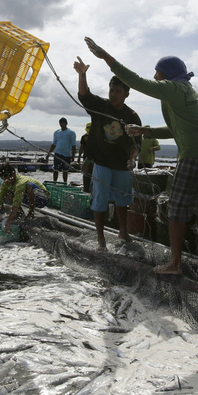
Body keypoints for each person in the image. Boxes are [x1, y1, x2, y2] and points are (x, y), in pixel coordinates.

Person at [84, 37, 198, 275]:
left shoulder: (171, 88)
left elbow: (137, 82)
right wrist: (144, 131)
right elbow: (175, 130)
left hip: (191, 157)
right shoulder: (189, 92)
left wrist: (106, 58)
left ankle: (174, 265)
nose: (156, 77)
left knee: (176, 211)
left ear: (165, 73)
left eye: (157, 72)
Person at [73, 57, 141, 250]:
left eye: (118, 91)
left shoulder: (132, 116)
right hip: (101, 163)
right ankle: (101, 239)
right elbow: (84, 95)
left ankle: (123, 232)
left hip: (121, 165)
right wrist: (82, 75)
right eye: (111, 90)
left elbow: (136, 144)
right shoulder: (100, 106)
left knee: (122, 201)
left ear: (126, 94)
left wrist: (132, 159)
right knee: (99, 201)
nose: (113, 94)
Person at [0, 164, 49, 233]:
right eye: (4, 179)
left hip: (42, 198)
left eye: (8, 178)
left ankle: (31, 213)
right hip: (27, 198)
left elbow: (16, 203)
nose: (6, 181)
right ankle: (21, 214)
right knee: (9, 193)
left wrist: (8, 222)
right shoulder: (5, 184)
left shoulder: (20, 183)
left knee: (29, 186)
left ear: (13, 174)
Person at [49, 118, 77, 184]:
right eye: (60, 123)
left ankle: (65, 183)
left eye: (63, 123)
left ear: (66, 123)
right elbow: (54, 144)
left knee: (65, 170)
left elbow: (74, 145)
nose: (62, 124)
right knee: (55, 169)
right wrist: (49, 153)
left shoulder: (71, 133)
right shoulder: (56, 132)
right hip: (58, 153)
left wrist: (73, 156)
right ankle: (54, 183)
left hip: (67, 154)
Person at [78, 122, 94, 193]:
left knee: (94, 174)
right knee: (86, 173)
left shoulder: (96, 137)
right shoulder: (84, 137)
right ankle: (86, 188)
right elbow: (81, 147)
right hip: (86, 158)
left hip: (96, 159)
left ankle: (92, 188)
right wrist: (79, 157)